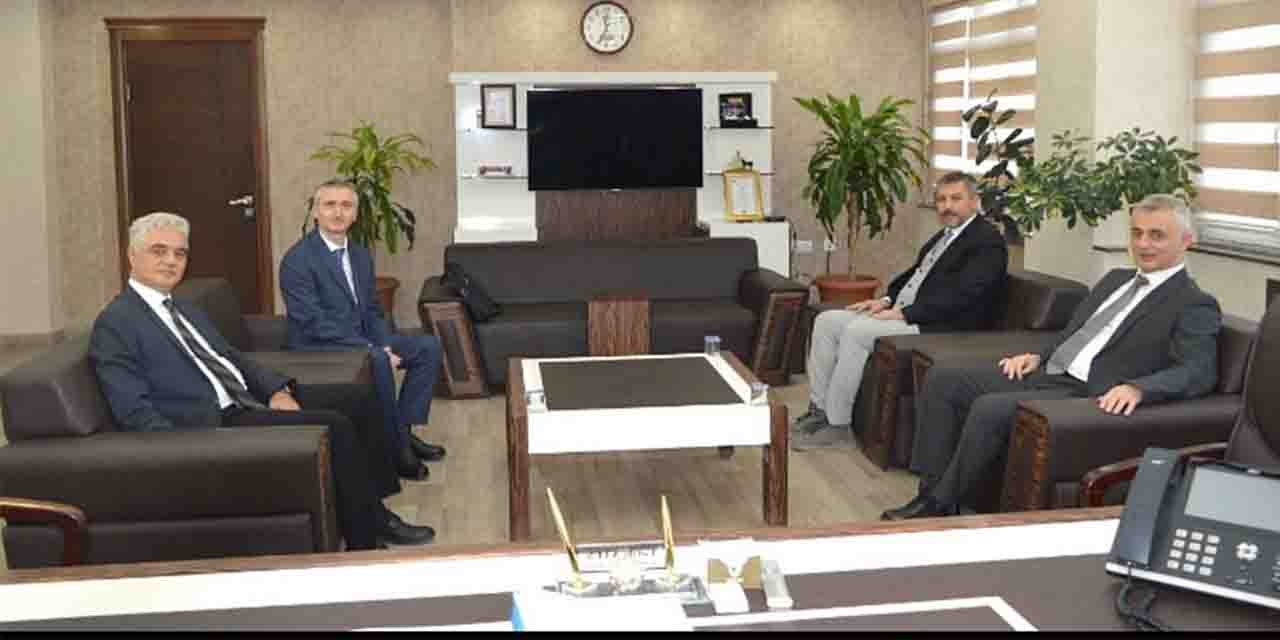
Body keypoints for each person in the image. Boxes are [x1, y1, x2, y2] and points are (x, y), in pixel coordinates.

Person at [89, 212, 436, 550]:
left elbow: (231, 357)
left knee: (359, 399)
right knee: (337, 425)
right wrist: (184, 455)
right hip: (214, 423)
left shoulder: (184, 307)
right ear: (132, 255)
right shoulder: (116, 323)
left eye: (179, 253)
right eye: (159, 251)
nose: (171, 261)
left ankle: (375, 508)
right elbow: (133, 410)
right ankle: (366, 538)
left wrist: (275, 390)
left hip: (244, 398)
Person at [883, 194, 1222, 520]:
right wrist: (1038, 356)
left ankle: (939, 504)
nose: (1143, 244)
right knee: (944, 377)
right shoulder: (1116, 280)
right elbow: (1076, 331)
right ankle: (930, 489)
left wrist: (1139, 388)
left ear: (1186, 241)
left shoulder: (1194, 303)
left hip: (1091, 391)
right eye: (1137, 233)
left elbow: (1198, 370)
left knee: (990, 408)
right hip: (1053, 371)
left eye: (1156, 235)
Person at [792, 171, 1008, 450]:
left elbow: (966, 294)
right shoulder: (945, 236)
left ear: (975, 201)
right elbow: (915, 275)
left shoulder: (987, 241)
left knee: (858, 331)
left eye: (956, 199)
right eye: (941, 200)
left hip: (943, 324)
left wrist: (905, 314)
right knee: (827, 320)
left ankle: (838, 426)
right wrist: (884, 300)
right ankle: (819, 410)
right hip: (907, 312)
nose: (947, 206)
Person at [280, 180, 446, 481]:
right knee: (378, 361)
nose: (338, 213)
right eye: (329, 205)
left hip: (361, 339)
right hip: (318, 346)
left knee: (428, 347)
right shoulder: (297, 261)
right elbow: (313, 322)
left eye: (346, 206)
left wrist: (381, 342)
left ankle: (403, 433)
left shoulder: (359, 255)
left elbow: (371, 309)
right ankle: (396, 451)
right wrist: (372, 349)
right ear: (315, 212)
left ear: (356, 214)